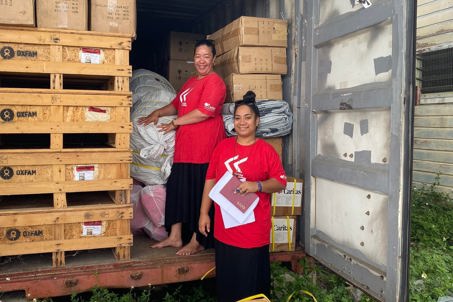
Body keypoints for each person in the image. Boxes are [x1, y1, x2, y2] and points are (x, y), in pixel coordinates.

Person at [138, 39, 226, 256]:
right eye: (198, 56)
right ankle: (175, 237)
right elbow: (176, 105)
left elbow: (203, 113)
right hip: (184, 149)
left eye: (206, 56)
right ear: (193, 58)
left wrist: (175, 123)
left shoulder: (215, 83)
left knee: (199, 196)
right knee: (177, 191)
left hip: (204, 149)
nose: (202, 61)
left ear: (214, 59)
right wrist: (158, 112)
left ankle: (197, 240)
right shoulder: (190, 82)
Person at [199, 91, 287, 301]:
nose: (242, 122)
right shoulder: (222, 147)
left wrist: (257, 185)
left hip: (253, 233)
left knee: (251, 288)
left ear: (257, 121)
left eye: (247, 118)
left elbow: (280, 182)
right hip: (225, 231)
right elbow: (210, 179)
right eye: (237, 118)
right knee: (228, 285)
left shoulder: (266, 151)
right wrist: (204, 212)